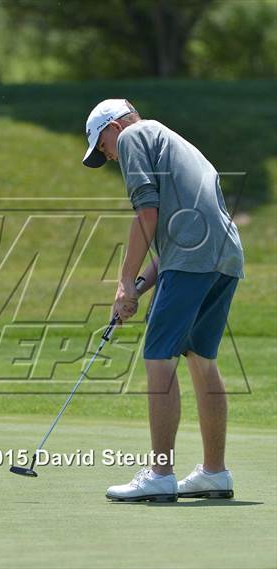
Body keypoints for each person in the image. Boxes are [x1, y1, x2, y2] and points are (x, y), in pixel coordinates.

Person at [82, 99, 244, 502]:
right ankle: (214, 472)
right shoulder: (175, 142)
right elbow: (174, 244)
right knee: (200, 357)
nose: (111, 156)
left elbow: (147, 216)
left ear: (115, 127)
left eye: (104, 147)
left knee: (159, 357)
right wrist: (137, 287)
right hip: (223, 258)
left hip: (194, 257)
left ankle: (160, 473)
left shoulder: (134, 136)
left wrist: (122, 282)